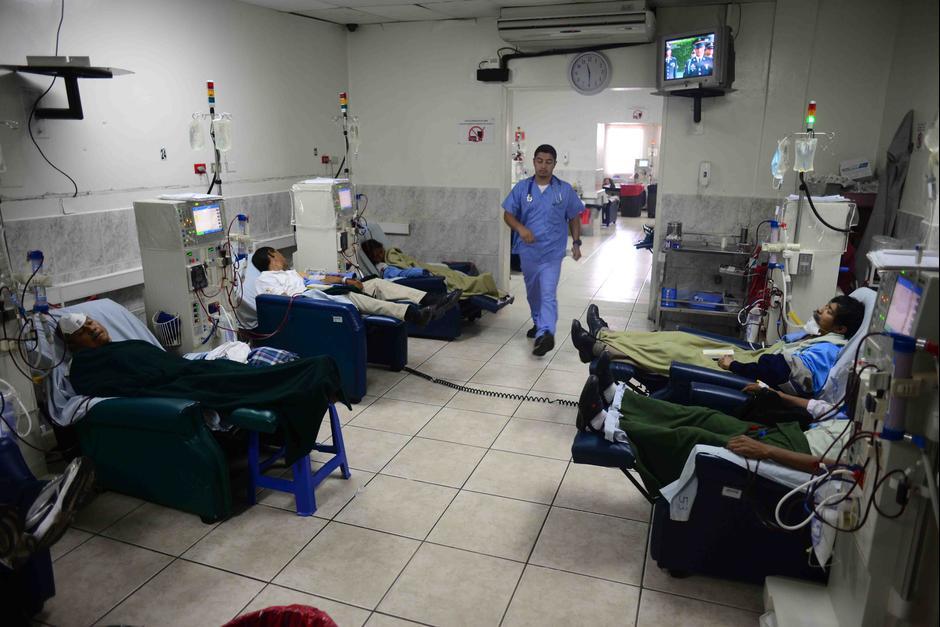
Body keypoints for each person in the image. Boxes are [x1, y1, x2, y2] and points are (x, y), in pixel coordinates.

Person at [59, 313, 347, 466]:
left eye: (91, 322)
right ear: (73, 344)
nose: (92, 328)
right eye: (82, 331)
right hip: (175, 383)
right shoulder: (85, 365)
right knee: (235, 383)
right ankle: (313, 377)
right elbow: (117, 385)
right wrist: (159, 380)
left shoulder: (123, 344)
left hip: (186, 370)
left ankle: (313, 374)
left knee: (240, 372)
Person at [575, 360, 851, 495]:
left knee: (694, 437)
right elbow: (821, 409)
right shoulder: (868, 425)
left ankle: (602, 424)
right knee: (705, 416)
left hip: (791, 455)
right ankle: (617, 397)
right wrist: (776, 395)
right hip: (792, 434)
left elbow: (833, 469)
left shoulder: (885, 464)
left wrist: (766, 452)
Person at [572, 295, 866, 398]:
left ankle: (598, 347)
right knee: (678, 338)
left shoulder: (829, 351)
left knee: (674, 352)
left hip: (745, 372)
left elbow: (780, 372)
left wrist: (734, 365)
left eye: (827, 311)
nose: (820, 310)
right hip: (751, 357)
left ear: (841, 328)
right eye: (826, 306)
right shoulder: (822, 337)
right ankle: (605, 336)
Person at [502, 144, 585, 356]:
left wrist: (576, 243)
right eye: (540, 161)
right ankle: (539, 323)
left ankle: (545, 333)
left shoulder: (564, 190)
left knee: (548, 292)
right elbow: (508, 215)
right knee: (533, 293)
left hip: (552, 253)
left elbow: (574, 216)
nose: (543, 166)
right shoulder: (522, 188)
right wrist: (520, 228)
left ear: (554, 164)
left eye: (548, 162)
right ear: (534, 162)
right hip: (528, 252)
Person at [251, 247, 460, 326]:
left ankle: (430, 299)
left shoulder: (292, 272)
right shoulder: (264, 280)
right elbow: (276, 302)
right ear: (271, 256)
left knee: (376, 283)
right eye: (277, 252)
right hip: (310, 301)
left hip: (321, 291)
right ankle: (413, 314)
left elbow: (321, 277)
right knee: (355, 298)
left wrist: (345, 280)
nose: (281, 254)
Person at [359, 239, 511, 303]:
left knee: (451, 272)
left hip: (422, 268)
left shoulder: (390, 255)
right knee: (457, 280)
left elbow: (408, 260)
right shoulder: (385, 269)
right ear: (371, 258)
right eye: (377, 254)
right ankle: (484, 283)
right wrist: (422, 272)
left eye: (381, 251)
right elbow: (402, 273)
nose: (381, 255)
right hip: (419, 276)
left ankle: (483, 284)